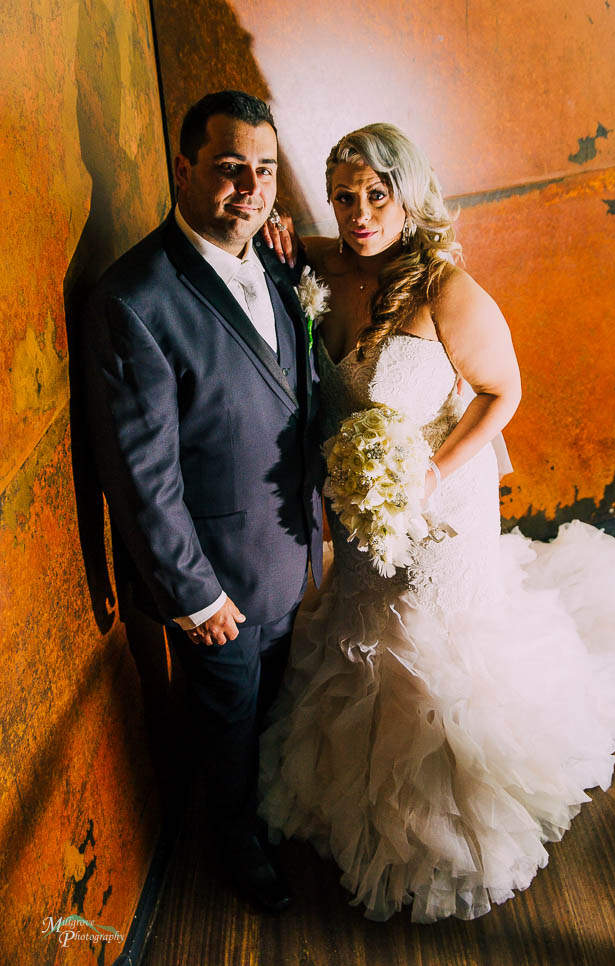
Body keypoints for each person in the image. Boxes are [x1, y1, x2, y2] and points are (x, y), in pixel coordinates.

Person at [257, 123, 615, 922]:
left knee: (428, 648)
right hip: (364, 510)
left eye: (378, 194)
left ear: (408, 193)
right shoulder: (321, 264)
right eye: (345, 196)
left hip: (441, 506)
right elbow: (289, 242)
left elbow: (503, 392)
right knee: (363, 633)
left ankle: (434, 822)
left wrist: (429, 475)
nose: (361, 211)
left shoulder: (447, 288)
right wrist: (281, 234)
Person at [82, 90, 322, 913]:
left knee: (272, 708)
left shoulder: (275, 263)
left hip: (289, 555)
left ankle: (269, 809)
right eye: (228, 170)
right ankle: (233, 844)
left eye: (262, 170)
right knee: (224, 727)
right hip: (217, 583)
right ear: (182, 168)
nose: (250, 188)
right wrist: (194, 595)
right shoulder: (134, 299)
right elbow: (141, 475)